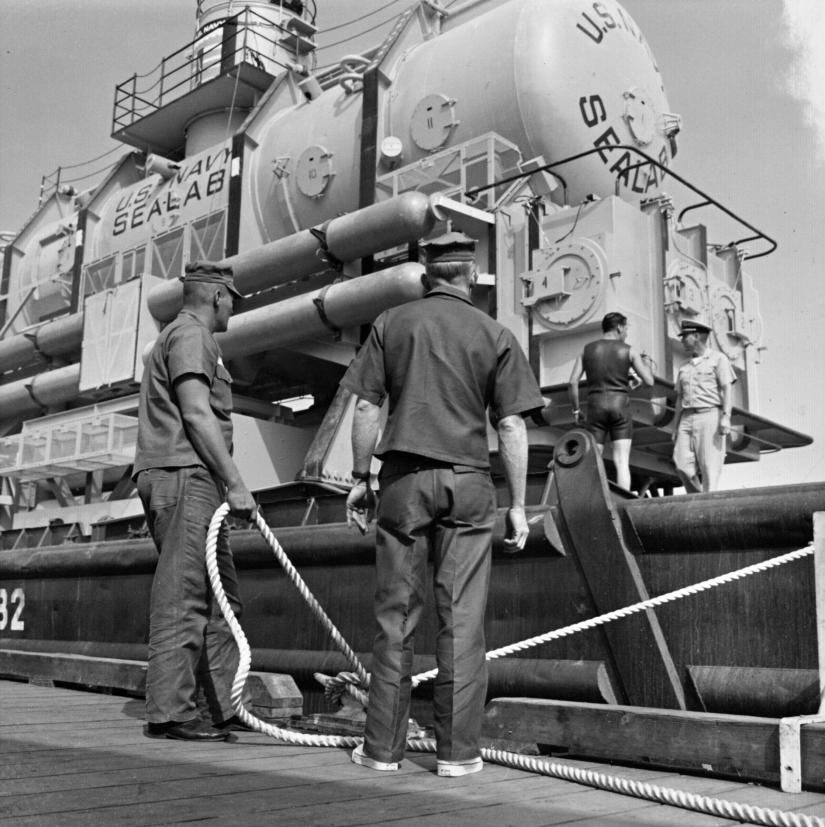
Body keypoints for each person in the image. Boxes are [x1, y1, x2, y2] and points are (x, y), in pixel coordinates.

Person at [341, 232, 544, 777]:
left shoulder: (391, 322)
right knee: (462, 621)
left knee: (395, 619)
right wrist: (519, 504)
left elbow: (365, 407)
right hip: (470, 484)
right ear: (471, 277)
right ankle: (458, 755)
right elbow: (511, 424)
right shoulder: (495, 333)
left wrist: (360, 477)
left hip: (404, 480)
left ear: (427, 276)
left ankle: (382, 751)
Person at [133, 261, 257, 742]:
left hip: (187, 476)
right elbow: (197, 413)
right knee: (185, 596)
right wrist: (237, 483)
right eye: (234, 299)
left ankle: (225, 707)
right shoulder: (192, 336)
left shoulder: (184, 336)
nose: (235, 307)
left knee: (221, 598)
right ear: (218, 296)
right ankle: (170, 713)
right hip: (186, 475)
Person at [567, 312, 654, 491]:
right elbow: (649, 381)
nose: (627, 333)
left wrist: (576, 411)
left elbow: (572, 382)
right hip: (620, 407)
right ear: (619, 327)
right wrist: (643, 365)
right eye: (626, 328)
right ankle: (622, 504)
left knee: (592, 462)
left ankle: (590, 503)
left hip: (595, 408)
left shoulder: (586, 349)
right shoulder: (629, 350)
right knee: (622, 462)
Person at [672, 319, 736, 493]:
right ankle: (698, 500)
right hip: (686, 417)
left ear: (697, 336)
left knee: (709, 468)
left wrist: (726, 417)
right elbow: (679, 397)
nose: (682, 340)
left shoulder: (718, 358)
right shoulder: (684, 365)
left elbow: (727, 388)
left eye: (685, 336)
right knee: (681, 465)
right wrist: (675, 427)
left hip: (710, 416)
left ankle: (707, 509)